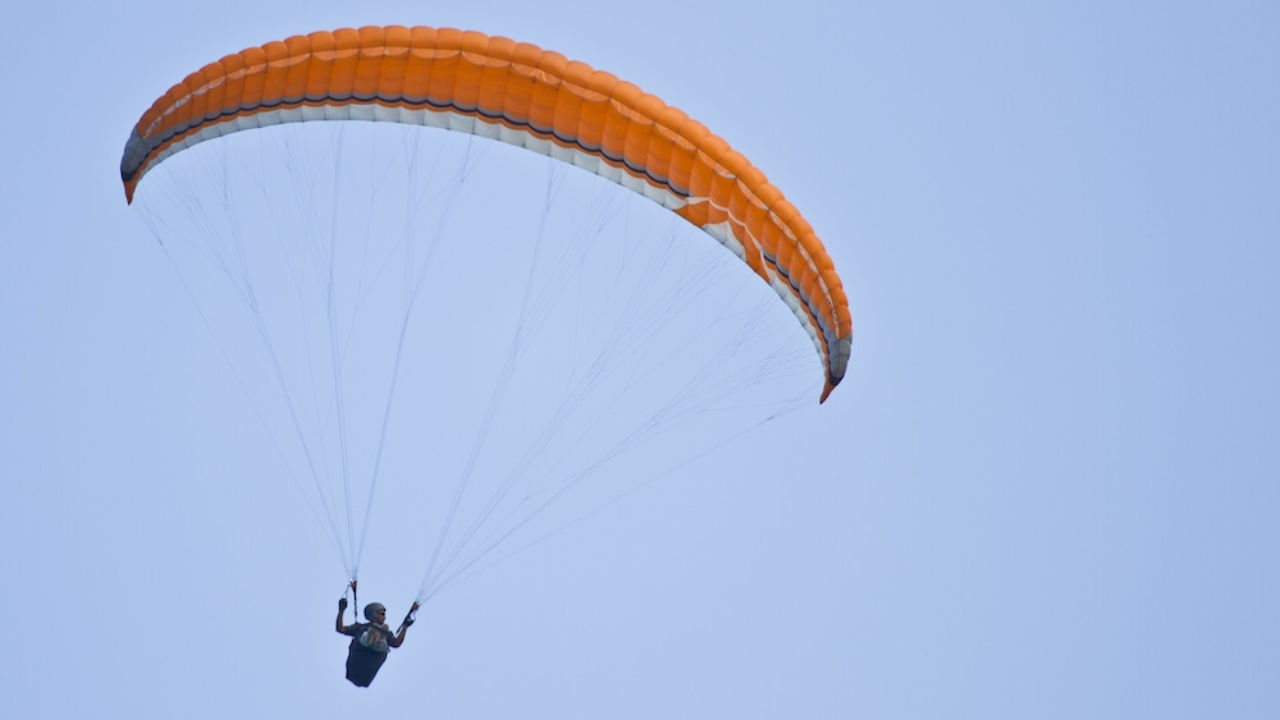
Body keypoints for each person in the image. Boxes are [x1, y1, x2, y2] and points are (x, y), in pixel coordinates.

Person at [336, 598, 412, 687]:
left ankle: (377, 640)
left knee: (381, 641)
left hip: (373, 655)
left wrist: (405, 626)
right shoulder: (360, 627)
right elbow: (340, 629)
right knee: (365, 633)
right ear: (373, 614)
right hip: (361, 652)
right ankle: (371, 638)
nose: (385, 617)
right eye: (382, 614)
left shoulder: (387, 634)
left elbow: (397, 643)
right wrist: (341, 610)